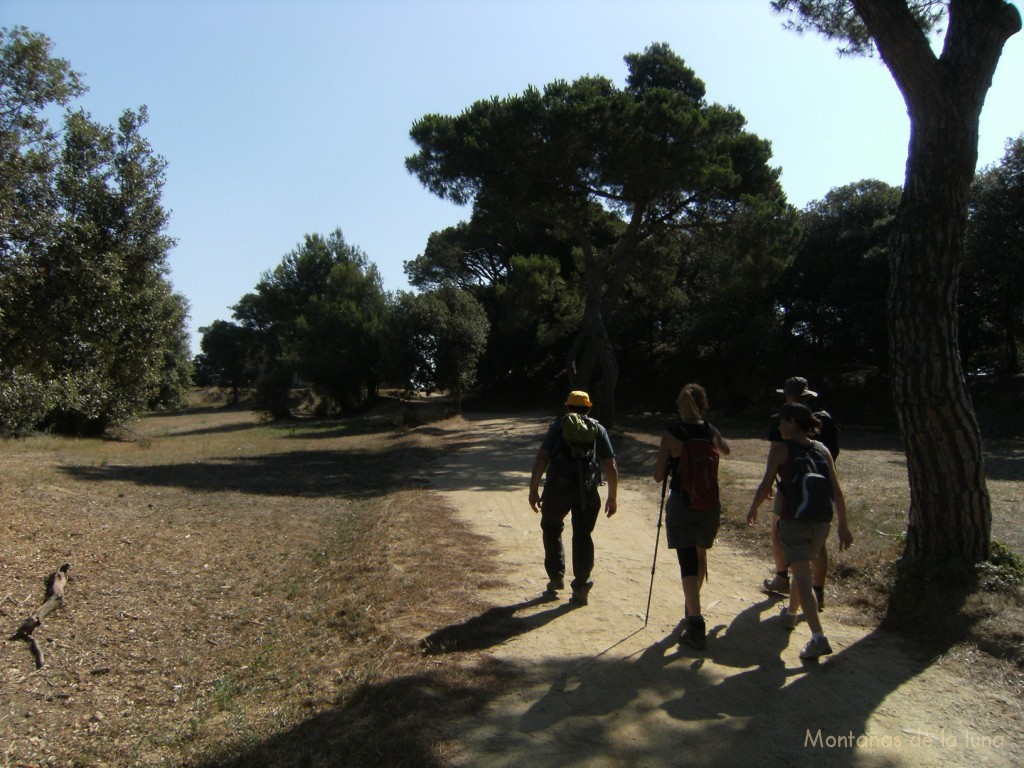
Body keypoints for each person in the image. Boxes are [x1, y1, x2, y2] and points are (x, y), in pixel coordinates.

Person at [746, 402, 853, 660]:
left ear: (793, 422)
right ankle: (791, 614)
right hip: (821, 522)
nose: (779, 425)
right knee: (800, 568)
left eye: (782, 421)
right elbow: (836, 491)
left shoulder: (781, 449)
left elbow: (766, 484)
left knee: (802, 578)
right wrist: (843, 525)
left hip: (794, 520)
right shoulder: (822, 449)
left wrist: (753, 508)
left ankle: (818, 637)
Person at [652, 383, 731, 650]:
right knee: (700, 555)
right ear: (703, 403)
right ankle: (691, 606)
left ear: (680, 405)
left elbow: (658, 476)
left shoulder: (672, 433)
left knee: (686, 559)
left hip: (682, 502)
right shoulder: (710, 430)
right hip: (710, 503)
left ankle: (695, 621)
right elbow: (726, 451)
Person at [529, 390, 618, 606]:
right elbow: (610, 465)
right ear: (588, 408)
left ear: (567, 407)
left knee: (551, 527)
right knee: (582, 535)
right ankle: (581, 588)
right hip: (587, 491)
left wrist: (533, 489)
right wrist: (612, 497)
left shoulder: (558, 426)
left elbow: (543, 457)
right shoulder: (598, 428)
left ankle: (556, 576)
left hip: (557, 488)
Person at [760, 377, 840, 611]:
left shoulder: (786, 418)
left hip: (790, 484)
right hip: (820, 485)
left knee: (779, 528)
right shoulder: (824, 418)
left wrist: (769, 482)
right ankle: (818, 592)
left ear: (789, 396)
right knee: (817, 541)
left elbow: (776, 451)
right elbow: (832, 453)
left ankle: (783, 577)